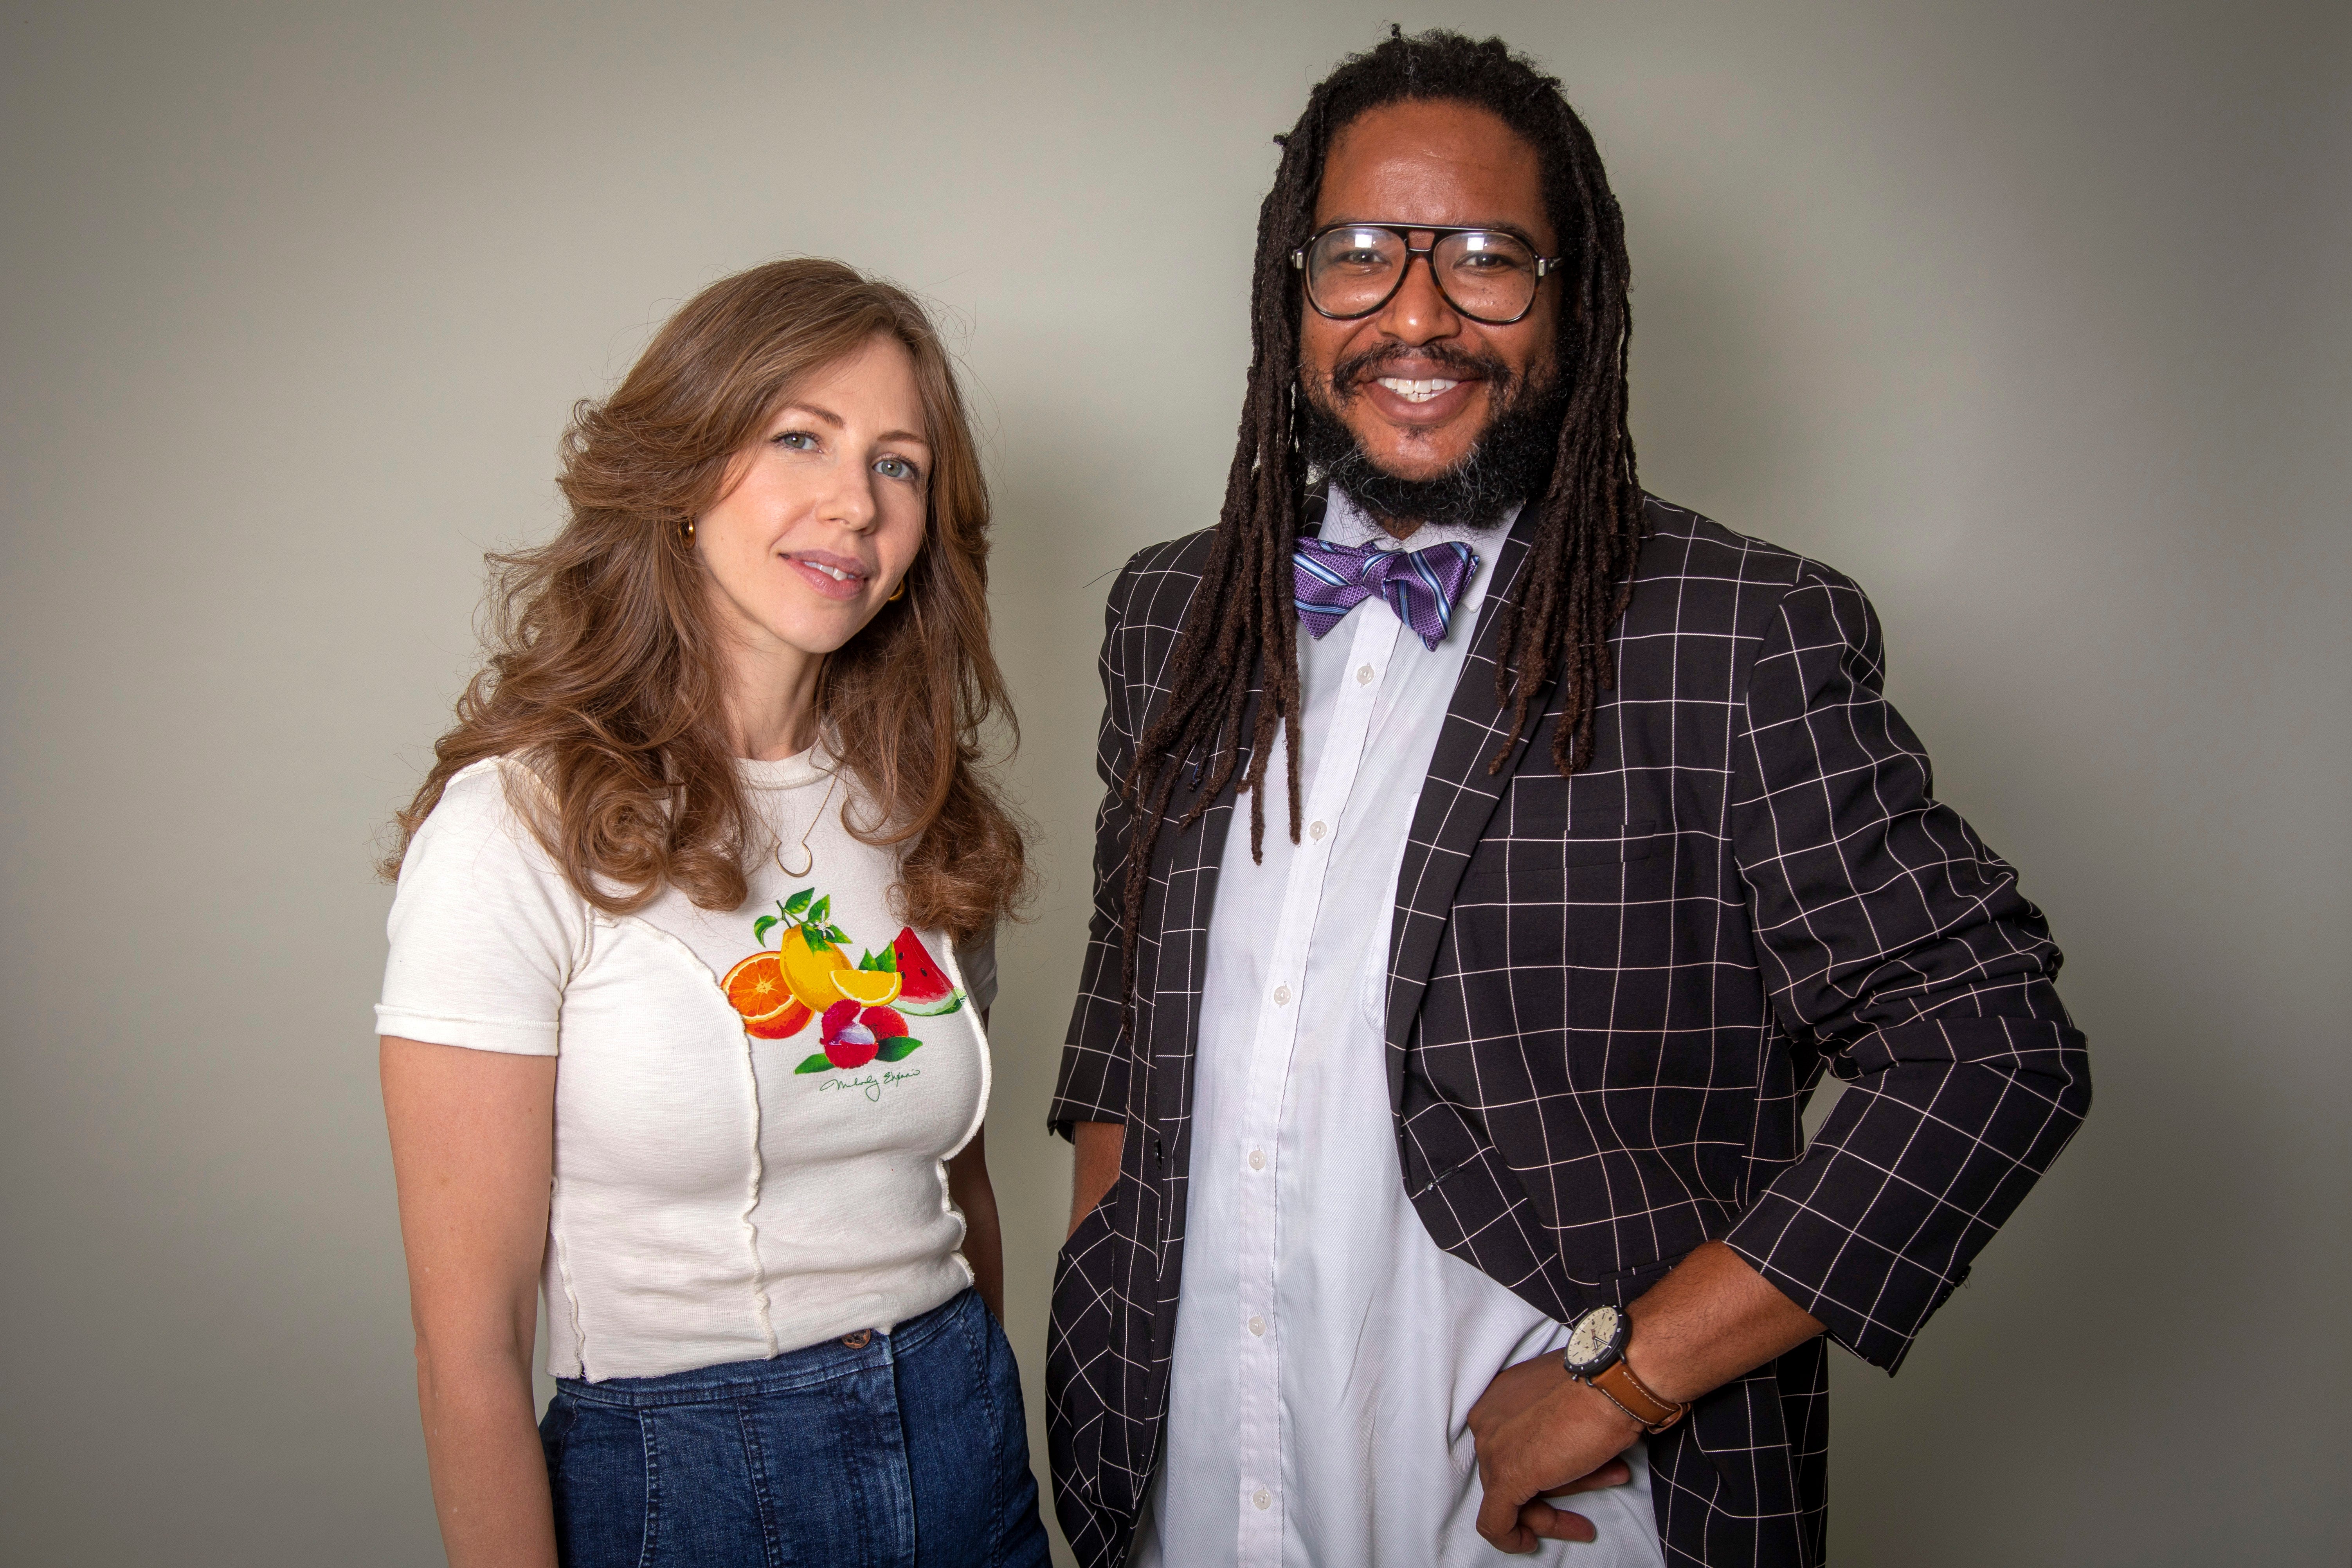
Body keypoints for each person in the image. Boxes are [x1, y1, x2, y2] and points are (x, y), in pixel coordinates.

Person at [1046, 29, 2090, 1568]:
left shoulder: (1731, 630)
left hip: (1559, 1517)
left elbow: (1991, 1049)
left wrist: (1631, 1373)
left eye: (1484, 257)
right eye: (1360, 255)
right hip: (1192, 1488)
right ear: (1294, 291)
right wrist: (1098, 1350)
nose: (1417, 313)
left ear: (1571, 299)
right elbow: (1129, 1029)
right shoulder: (1171, 610)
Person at [376, 258, 1050, 1567]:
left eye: (898, 464)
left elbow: (954, 1191)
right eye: (799, 436)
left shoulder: (918, 808)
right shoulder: (512, 831)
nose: (853, 502)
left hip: (964, 1438)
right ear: (683, 476)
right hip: (692, 1482)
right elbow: (466, 1349)